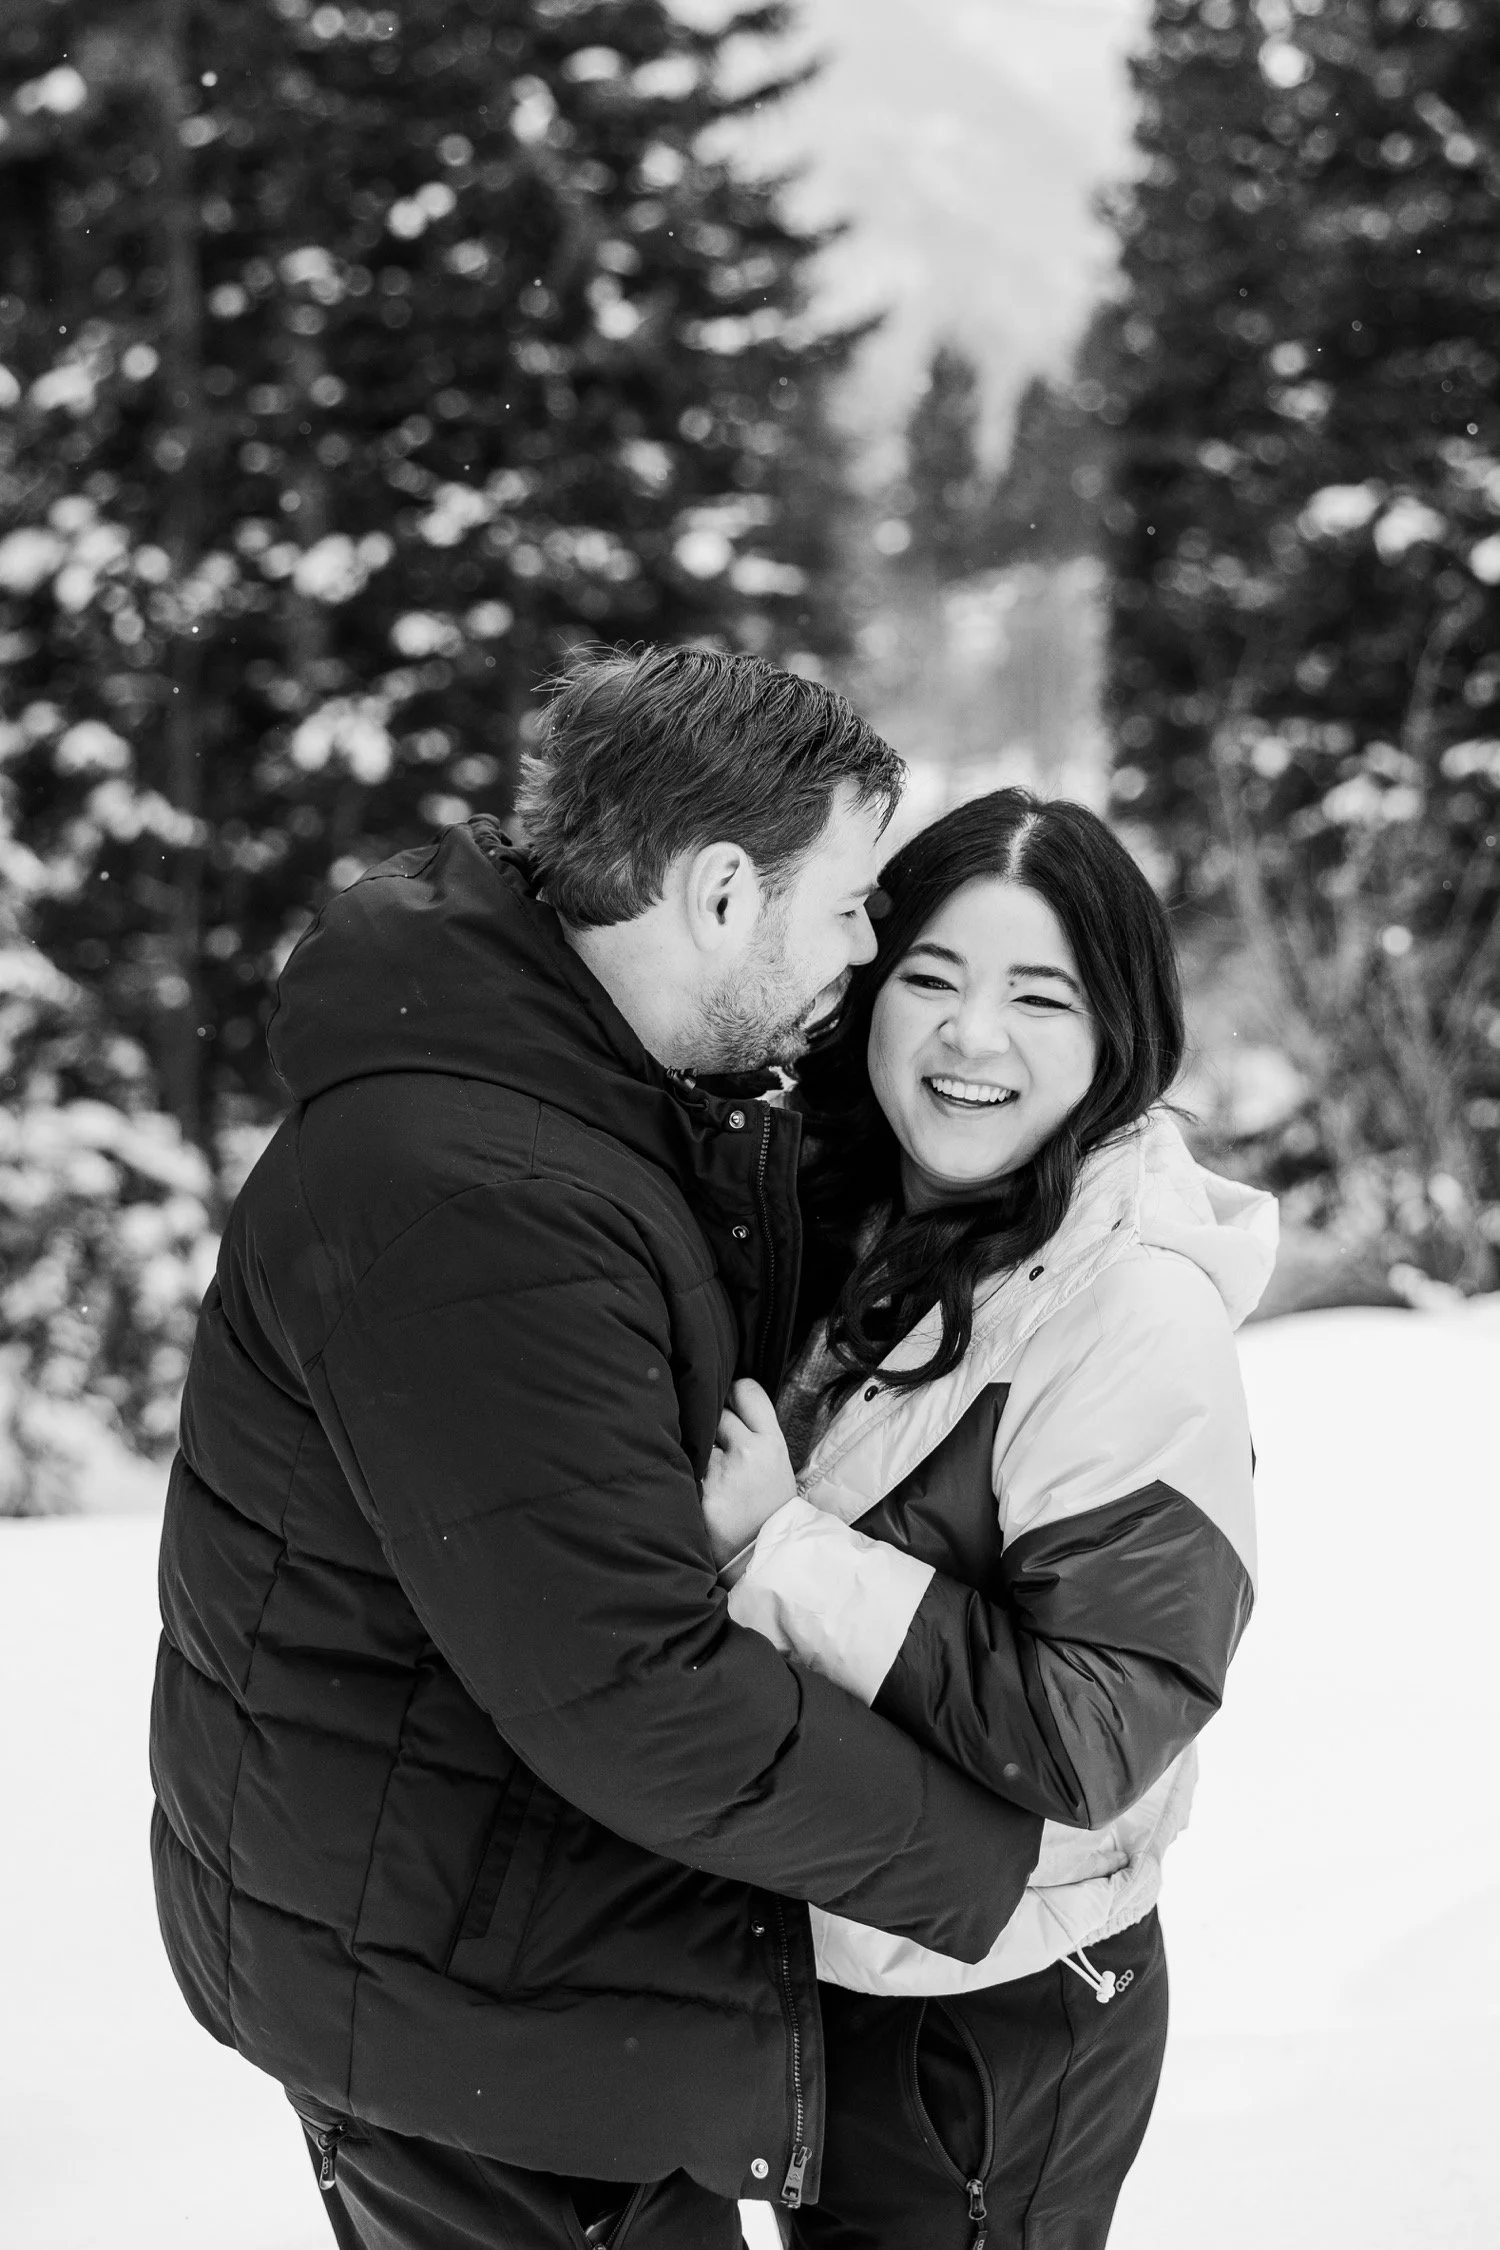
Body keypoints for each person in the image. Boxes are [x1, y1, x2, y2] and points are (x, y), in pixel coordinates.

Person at [149, 648, 1045, 2250]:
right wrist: (991, 1851)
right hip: (476, 2009)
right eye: (847, 902)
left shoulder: (586, 1081)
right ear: (716, 894)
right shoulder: (476, 1193)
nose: (868, 945)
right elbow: (631, 1685)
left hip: (506, 1937)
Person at [702, 788, 1278, 2250]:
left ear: (1116, 1030)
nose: (973, 1039)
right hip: (844, 1963)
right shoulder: (855, 1218)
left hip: (994, 2011)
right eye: (934, 980)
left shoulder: (1134, 1307)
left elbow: (1095, 1725)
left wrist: (784, 1554)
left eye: (1040, 995)